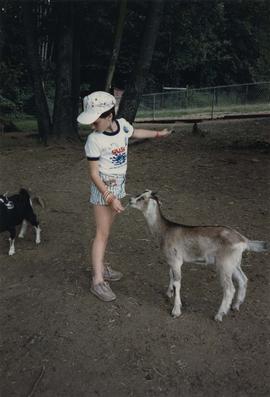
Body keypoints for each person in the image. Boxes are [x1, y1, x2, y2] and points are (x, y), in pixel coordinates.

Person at [77, 91, 172, 302]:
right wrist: (110, 197)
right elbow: (93, 174)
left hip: (118, 188)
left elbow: (136, 132)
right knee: (101, 234)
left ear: (109, 116)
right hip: (104, 191)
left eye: (95, 121)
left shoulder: (121, 126)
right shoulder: (94, 140)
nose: (92, 126)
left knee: (106, 231)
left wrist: (158, 134)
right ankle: (98, 280)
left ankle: (100, 266)